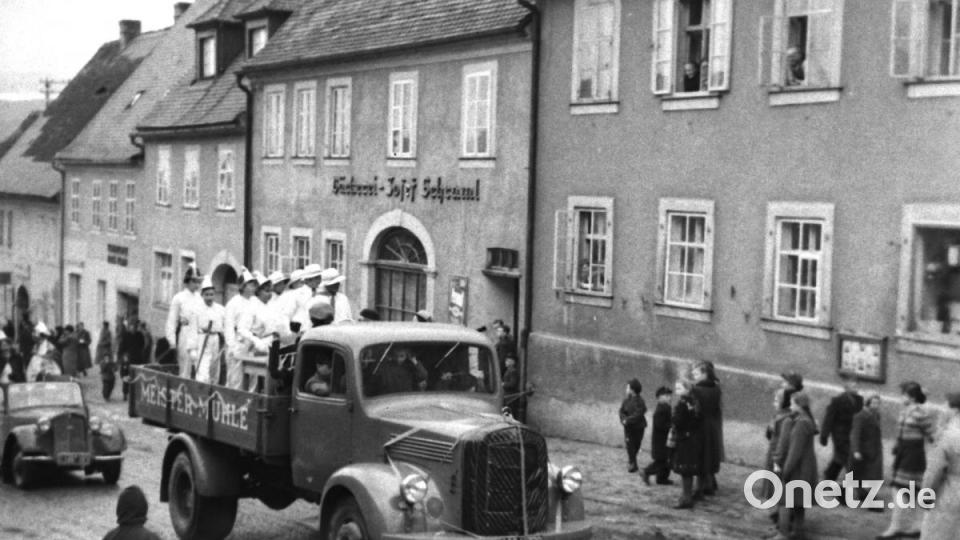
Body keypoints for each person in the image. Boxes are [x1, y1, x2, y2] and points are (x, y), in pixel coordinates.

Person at [877, 381, 937, 539]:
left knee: (900, 489)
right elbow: (901, 432)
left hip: (914, 456)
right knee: (912, 491)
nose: (901, 397)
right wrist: (897, 445)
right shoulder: (904, 411)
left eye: (903, 394)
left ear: (911, 396)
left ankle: (896, 527)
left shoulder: (921, 412)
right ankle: (917, 526)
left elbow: (932, 436)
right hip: (903, 453)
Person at [773, 392, 819, 540]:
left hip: (798, 469)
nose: (790, 406)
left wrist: (786, 470)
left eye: (793, 403)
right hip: (804, 467)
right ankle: (798, 532)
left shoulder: (801, 423)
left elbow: (795, 451)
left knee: (785, 501)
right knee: (799, 502)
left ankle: (783, 533)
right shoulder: (805, 420)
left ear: (799, 405)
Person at [921, 391, 960, 540]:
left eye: (945, 406)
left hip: (949, 493)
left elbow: (935, 471)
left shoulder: (947, 436)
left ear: (954, 410)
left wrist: (926, 496)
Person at [820, 373, 864, 483]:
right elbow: (828, 419)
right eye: (854, 386)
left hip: (852, 435)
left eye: (857, 386)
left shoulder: (859, 400)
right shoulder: (838, 400)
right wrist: (824, 435)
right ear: (847, 388)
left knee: (840, 459)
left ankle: (829, 477)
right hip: (840, 436)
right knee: (850, 459)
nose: (856, 388)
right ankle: (848, 488)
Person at [764, 386, 797, 525]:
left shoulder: (787, 418)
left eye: (777, 400)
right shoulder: (779, 414)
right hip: (773, 451)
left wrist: (778, 457)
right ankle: (776, 510)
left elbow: (784, 440)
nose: (774, 403)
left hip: (779, 454)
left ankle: (780, 515)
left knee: (778, 482)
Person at [691, 360, 723, 496]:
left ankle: (699, 488)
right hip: (712, 425)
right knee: (708, 454)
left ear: (704, 374)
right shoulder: (716, 388)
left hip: (700, 425)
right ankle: (709, 483)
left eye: (696, 373)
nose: (694, 376)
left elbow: (695, 410)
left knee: (700, 455)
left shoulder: (696, 390)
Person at [166, 263, 203, 378]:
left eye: (198, 282)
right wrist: (172, 341)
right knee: (185, 366)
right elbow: (172, 320)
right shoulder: (179, 298)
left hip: (198, 334)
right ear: (187, 281)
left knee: (199, 366)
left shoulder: (200, 298)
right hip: (185, 334)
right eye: (193, 281)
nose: (196, 285)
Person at [671, 379, 703, 509]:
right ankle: (686, 496)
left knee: (686, 470)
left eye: (679, 388)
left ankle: (686, 498)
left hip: (685, 439)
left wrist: (673, 419)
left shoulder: (684, 403)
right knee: (687, 470)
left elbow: (679, 421)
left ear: (687, 389)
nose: (676, 391)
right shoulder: (694, 402)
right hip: (692, 438)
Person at [224, 268, 258, 389]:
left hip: (250, 344)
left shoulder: (254, 302)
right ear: (242, 286)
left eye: (254, 285)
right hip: (237, 344)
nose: (253, 287)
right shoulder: (233, 303)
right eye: (250, 284)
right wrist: (232, 346)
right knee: (235, 378)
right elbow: (228, 327)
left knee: (253, 375)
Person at [189, 275, 225, 384]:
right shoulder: (196, 310)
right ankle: (201, 396)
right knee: (202, 373)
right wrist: (192, 349)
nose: (209, 298)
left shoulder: (220, 309)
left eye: (212, 294)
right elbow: (192, 330)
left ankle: (212, 396)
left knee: (214, 371)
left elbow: (225, 328)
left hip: (215, 340)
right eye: (207, 295)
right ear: (202, 295)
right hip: (202, 340)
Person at [850, 392, 884, 506]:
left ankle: (866, 494)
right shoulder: (860, 416)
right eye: (874, 403)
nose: (876, 405)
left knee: (872, 474)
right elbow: (855, 434)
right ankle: (863, 495)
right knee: (861, 474)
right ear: (868, 403)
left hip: (874, 449)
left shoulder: (876, 415)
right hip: (863, 450)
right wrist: (856, 450)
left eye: (878, 403)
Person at [644, 386, 674, 486]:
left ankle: (662, 478)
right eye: (666, 396)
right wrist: (670, 426)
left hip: (663, 440)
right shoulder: (661, 409)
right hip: (660, 441)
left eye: (670, 395)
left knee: (666, 460)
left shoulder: (666, 407)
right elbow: (660, 424)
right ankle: (647, 471)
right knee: (661, 461)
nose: (669, 397)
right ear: (659, 397)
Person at [619, 378, 647, 473]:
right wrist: (623, 419)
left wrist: (628, 420)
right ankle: (632, 463)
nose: (626, 390)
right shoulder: (626, 400)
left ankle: (632, 461)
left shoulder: (640, 401)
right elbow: (621, 411)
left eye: (627, 388)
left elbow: (639, 413)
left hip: (639, 427)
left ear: (633, 389)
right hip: (628, 428)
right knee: (629, 445)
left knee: (636, 445)